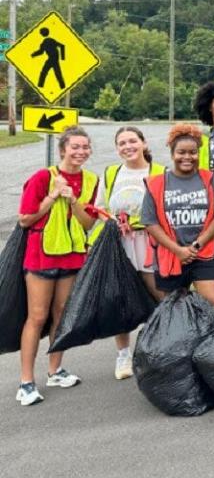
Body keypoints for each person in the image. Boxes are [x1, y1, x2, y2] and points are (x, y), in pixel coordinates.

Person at [16, 127, 99, 406]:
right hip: (42, 255)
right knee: (37, 317)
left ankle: (54, 370)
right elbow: (25, 219)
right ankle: (26, 382)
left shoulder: (90, 180)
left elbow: (88, 223)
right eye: (75, 146)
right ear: (63, 149)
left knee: (61, 314)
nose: (80, 152)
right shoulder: (43, 177)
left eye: (85, 147)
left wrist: (73, 200)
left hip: (72, 255)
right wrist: (52, 196)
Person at [93, 126, 165, 380]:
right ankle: (123, 354)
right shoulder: (111, 173)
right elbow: (100, 209)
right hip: (120, 245)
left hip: (150, 243)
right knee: (120, 300)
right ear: (116, 148)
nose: (127, 147)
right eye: (121, 143)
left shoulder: (160, 172)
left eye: (132, 141)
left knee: (159, 296)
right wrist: (113, 222)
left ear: (144, 143)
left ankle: (156, 349)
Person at [142, 124, 214, 312]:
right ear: (173, 154)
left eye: (193, 152)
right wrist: (178, 250)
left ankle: (211, 339)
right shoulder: (156, 183)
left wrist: (196, 245)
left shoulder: (211, 179)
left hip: (205, 251)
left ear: (199, 153)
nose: (187, 157)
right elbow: (150, 222)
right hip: (170, 253)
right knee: (173, 310)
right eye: (181, 152)